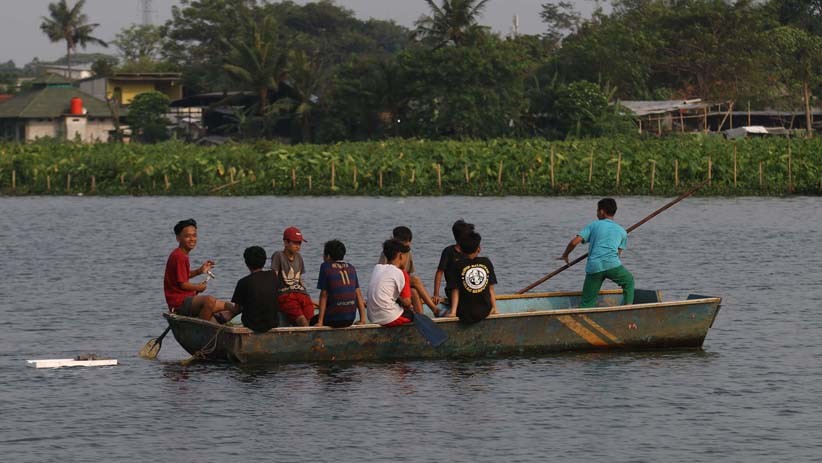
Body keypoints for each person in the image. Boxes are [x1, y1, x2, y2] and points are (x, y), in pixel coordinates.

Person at [559, 197, 635, 308]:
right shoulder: (622, 231)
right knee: (629, 281)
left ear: (602, 211)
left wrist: (565, 255)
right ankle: (628, 308)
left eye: (597, 210)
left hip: (594, 267)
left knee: (587, 301)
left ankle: (583, 313)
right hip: (612, 265)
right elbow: (618, 254)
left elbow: (574, 242)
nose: (596, 213)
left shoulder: (593, 225)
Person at [163, 218, 237, 322]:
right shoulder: (179, 256)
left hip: (186, 300)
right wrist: (198, 287)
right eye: (187, 236)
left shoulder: (180, 254)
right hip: (179, 303)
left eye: (194, 236)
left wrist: (199, 271)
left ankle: (214, 321)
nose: (192, 239)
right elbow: (182, 284)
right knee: (209, 300)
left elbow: (183, 276)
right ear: (178, 238)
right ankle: (202, 328)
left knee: (230, 306)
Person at [378, 226, 438, 316]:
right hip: (391, 284)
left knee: (413, 291)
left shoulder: (408, 253)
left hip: (401, 284)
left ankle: (421, 317)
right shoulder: (388, 252)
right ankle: (434, 309)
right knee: (416, 280)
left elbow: (407, 274)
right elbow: (383, 274)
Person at [444, 231, 498, 323]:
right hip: (485, 311)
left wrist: (453, 312)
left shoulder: (457, 265)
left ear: (460, 250)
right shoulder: (486, 262)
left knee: (443, 312)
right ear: (478, 249)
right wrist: (495, 309)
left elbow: (455, 290)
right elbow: (491, 289)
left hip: (464, 313)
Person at [313, 239, 367, 328]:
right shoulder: (351, 268)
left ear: (328, 256)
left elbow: (323, 295)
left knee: (312, 320)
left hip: (334, 319)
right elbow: (358, 293)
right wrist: (362, 319)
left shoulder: (325, 267)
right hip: (350, 319)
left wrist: (320, 322)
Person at [271, 226, 314, 326]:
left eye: (299, 243)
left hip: (301, 294)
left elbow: (299, 279)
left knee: (312, 320)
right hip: (286, 294)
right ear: (286, 242)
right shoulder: (278, 255)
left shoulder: (299, 257)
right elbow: (274, 277)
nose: (298, 246)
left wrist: (306, 293)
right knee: (302, 321)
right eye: (295, 243)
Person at [231, 246, 280, 333]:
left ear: (246, 263)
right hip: (273, 323)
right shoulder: (273, 276)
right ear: (264, 261)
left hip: (252, 325)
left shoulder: (243, 282)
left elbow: (236, 310)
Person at [367, 239, 415, 327]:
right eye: (405, 256)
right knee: (413, 315)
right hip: (389, 318)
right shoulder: (402, 273)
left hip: (372, 317)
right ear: (400, 256)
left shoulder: (377, 268)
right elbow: (407, 302)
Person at [432, 219, 475, 307]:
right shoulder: (448, 252)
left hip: (469, 288)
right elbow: (440, 272)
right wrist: (436, 294)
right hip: (453, 290)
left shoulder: (470, 251)